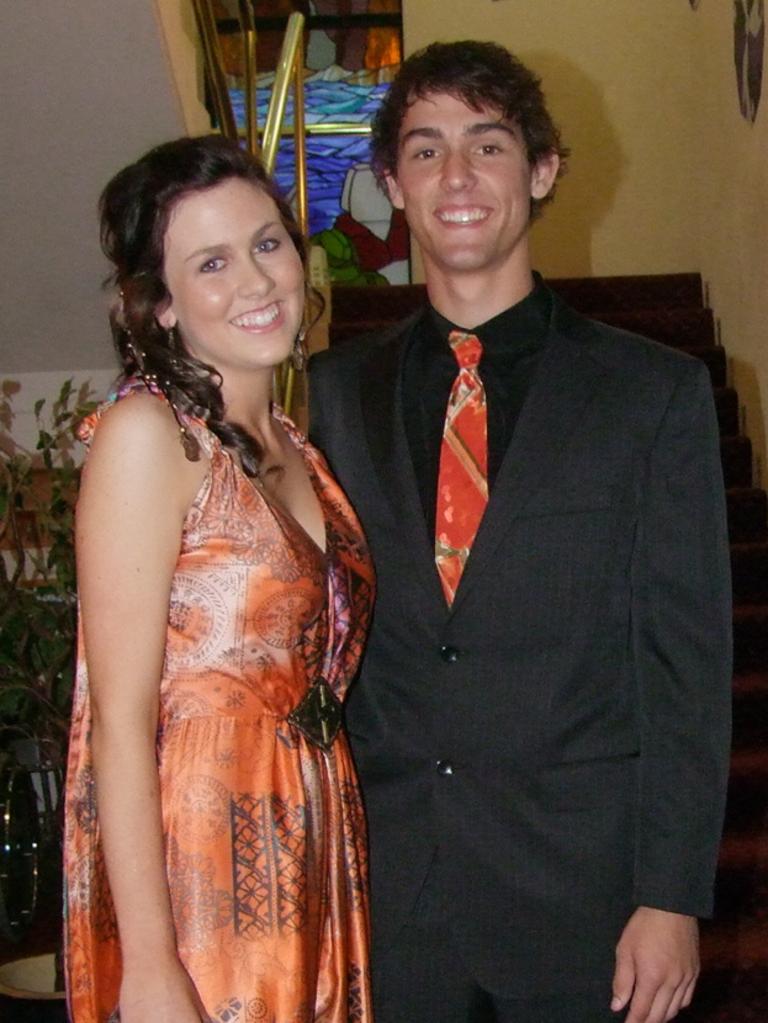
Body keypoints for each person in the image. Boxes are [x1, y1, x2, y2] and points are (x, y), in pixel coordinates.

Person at [309, 40, 732, 1023]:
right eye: (424, 149)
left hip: (580, 896)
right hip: (392, 893)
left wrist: (671, 894)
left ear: (541, 171)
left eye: (487, 145)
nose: (456, 177)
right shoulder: (332, 393)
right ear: (391, 183)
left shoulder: (651, 395)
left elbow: (686, 666)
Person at [63, 135, 375, 1023]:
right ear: (160, 306)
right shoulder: (147, 438)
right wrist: (153, 967)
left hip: (312, 836)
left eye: (266, 243)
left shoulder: (296, 444)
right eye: (211, 262)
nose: (256, 279)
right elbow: (116, 725)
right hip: (203, 864)